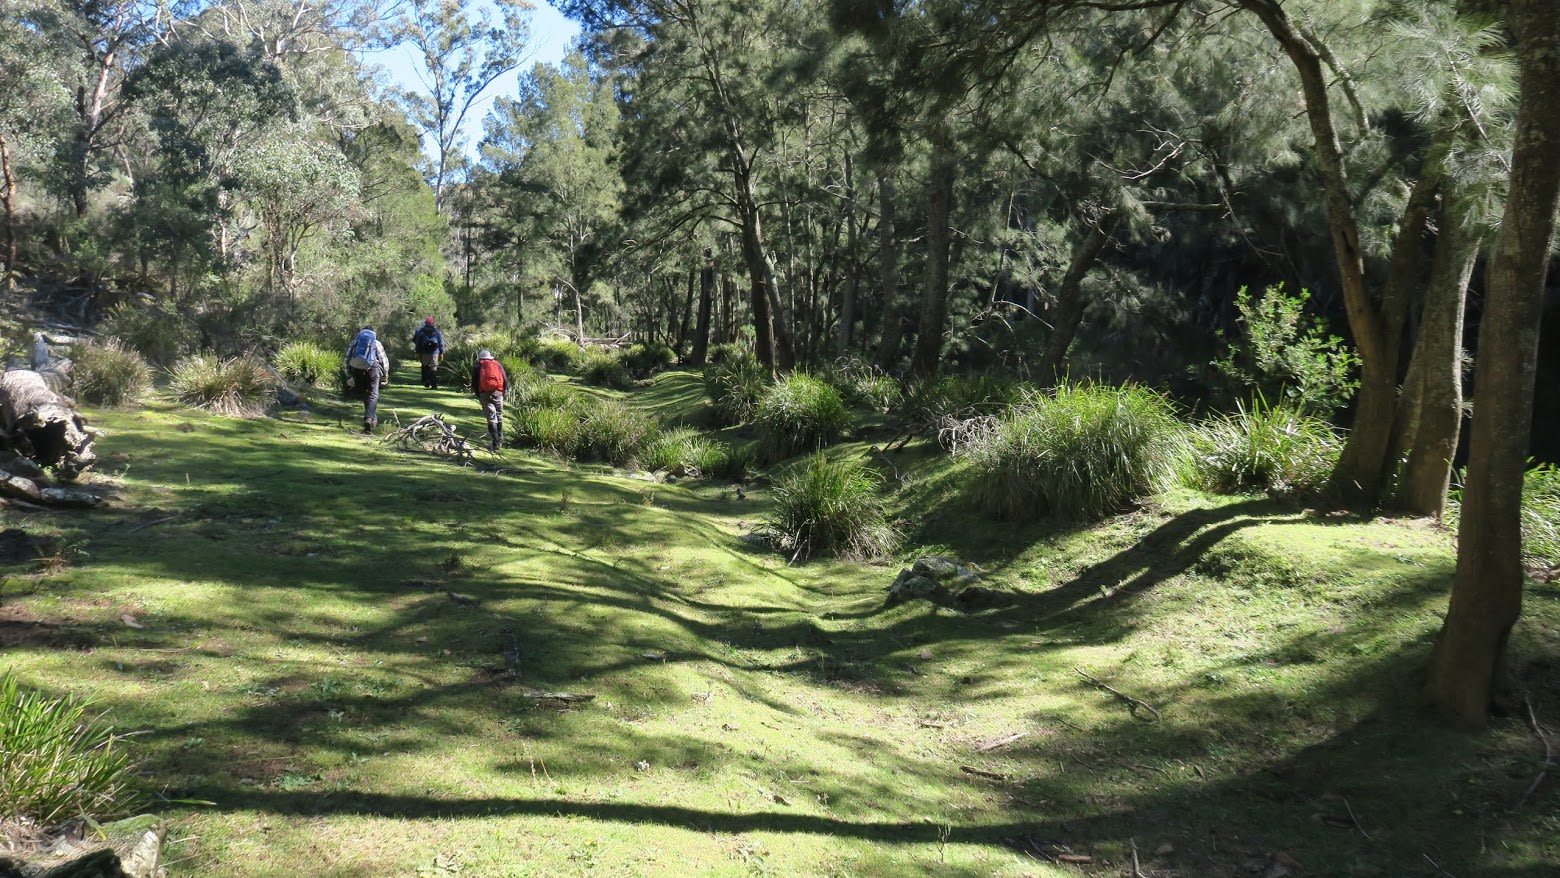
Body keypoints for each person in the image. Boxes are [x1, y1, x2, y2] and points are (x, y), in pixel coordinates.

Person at [344, 325, 390, 433]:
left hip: (357, 369)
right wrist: (385, 374)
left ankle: (370, 418)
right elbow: (383, 360)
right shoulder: (376, 343)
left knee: (364, 393)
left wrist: (349, 375)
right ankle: (369, 418)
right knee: (373, 393)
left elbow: (347, 360)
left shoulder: (355, 342)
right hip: (372, 368)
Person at [471, 349, 507, 452]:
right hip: (498, 392)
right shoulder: (497, 364)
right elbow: (504, 379)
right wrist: (503, 392)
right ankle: (500, 439)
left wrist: (479, 394)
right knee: (499, 415)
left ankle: (495, 444)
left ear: (480, 358)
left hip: (484, 393)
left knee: (491, 417)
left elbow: (474, 382)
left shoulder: (478, 366)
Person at [412, 316, 445, 389]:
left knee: (425, 366)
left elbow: (418, 343)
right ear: (433, 323)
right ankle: (434, 384)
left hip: (425, 352)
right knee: (434, 367)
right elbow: (441, 342)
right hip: (435, 352)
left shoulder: (421, 331)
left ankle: (426, 381)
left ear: (425, 323)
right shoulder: (436, 331)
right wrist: (441, 352)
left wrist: (418, 352)